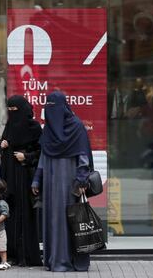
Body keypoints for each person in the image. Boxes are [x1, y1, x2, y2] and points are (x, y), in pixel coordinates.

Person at [32, 91, 92, 272]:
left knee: (69, 220)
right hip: (51, 184)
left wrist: (81, 180)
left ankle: (69, 260)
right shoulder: (49, 129)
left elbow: (83, 156)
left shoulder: (77, 127)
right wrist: (37, 180)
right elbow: (44, 155)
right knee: (53, 219)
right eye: (47, 106)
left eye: (53, 107)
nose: (50, 111)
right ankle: (54, 259)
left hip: (69, 184)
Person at [0, 95, 43, 266]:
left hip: (26, 178)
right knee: (10, 214)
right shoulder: (9, 125)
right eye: (9, 110)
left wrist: (27, 156)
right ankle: (10, 253)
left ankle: (27, 255)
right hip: (9, 178)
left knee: (26, 215)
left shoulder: (35, 127)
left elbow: (42, 153)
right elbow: (3, 147)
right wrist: (2, 145)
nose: (12, 114)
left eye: (14, 110)